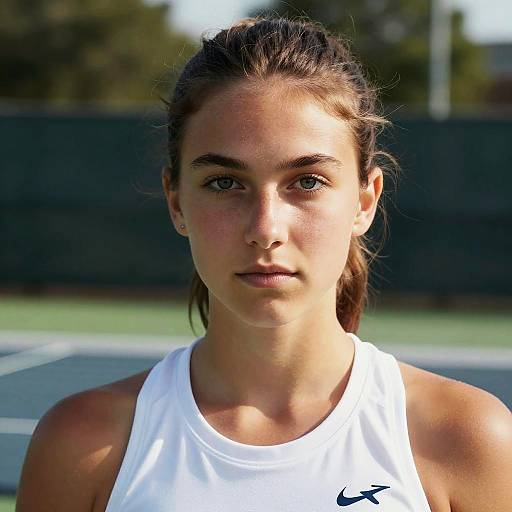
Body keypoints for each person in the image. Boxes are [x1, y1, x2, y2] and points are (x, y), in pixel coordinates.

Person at [16, 16, 511, 512]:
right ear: (176, 201)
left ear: (364, 201)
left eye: (308, 181)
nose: (266, 227)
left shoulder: (466, 439)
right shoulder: (82, 445)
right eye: (225, 183)